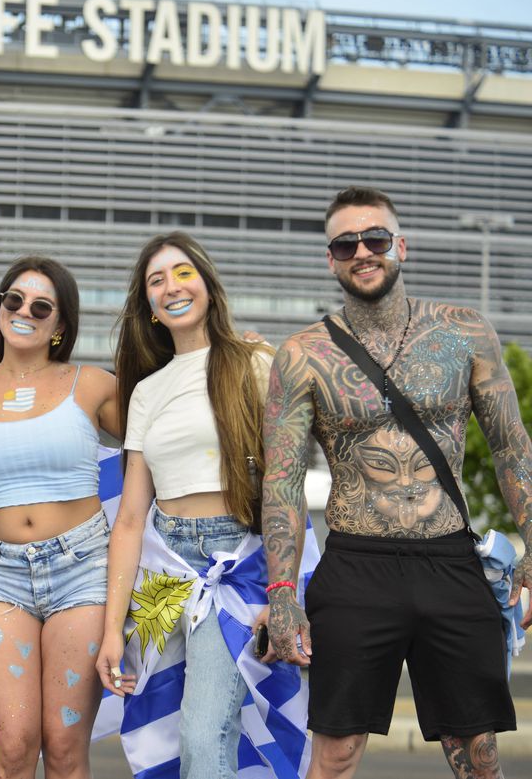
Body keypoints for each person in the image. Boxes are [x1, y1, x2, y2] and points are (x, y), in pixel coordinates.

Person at [263, 186, 532, 779]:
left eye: (375, 238)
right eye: (346, 243)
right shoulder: (302, 356)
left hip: (451, 560)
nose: (363, 251)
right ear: (330, 259)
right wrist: (281, 592)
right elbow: (281, 483)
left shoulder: (464, 332)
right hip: (357, 564)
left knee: (478, 753)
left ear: (400, 246)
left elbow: (513, 445)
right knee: (334, 753)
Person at [95, 233, 276, 778]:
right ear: (147, 307)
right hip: (163, 569)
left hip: (234, 563)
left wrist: (283, 589)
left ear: (208, 286)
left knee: (204, 731)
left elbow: (282, 487)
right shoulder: (146, 392)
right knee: (159, 734)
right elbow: (129, 518)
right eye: (156, 281)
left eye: (182, 273)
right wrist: (110, 631)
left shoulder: (256, 361)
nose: (171, 287)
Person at [0, 255, 122, 779]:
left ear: (60, 324)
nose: (24, 310)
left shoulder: (92, 384)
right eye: (14, 299)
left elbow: (155, 445)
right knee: (14, 747)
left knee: (65, 746)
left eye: (41, 305)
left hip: (82, 570)